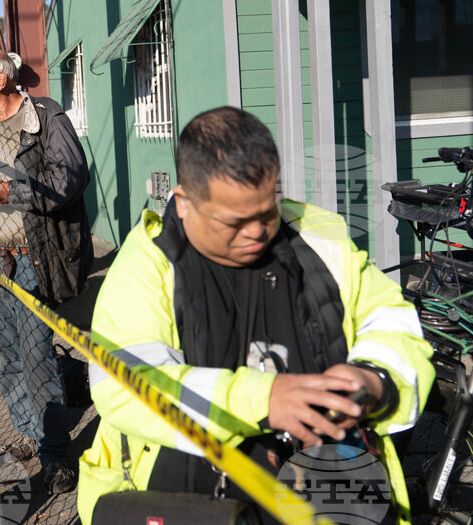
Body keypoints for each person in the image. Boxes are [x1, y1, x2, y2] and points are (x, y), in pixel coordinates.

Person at [77, 107, 434, 523]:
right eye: (234, 220)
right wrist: (263, 399)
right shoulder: (147, 264)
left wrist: (374, 379)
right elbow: (125, 384)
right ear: (184, 202)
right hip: (186, 503)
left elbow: (392, 322)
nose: (256, 232)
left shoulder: (320, 242)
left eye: (268, 211)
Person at [0, 49, 94, 495]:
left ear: (0, 79)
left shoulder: (46, 117)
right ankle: (32, 435)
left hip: (32, 258)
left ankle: (56, 456)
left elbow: (69, 178)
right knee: (10, 360)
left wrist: (11, 190)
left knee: (36, 359)